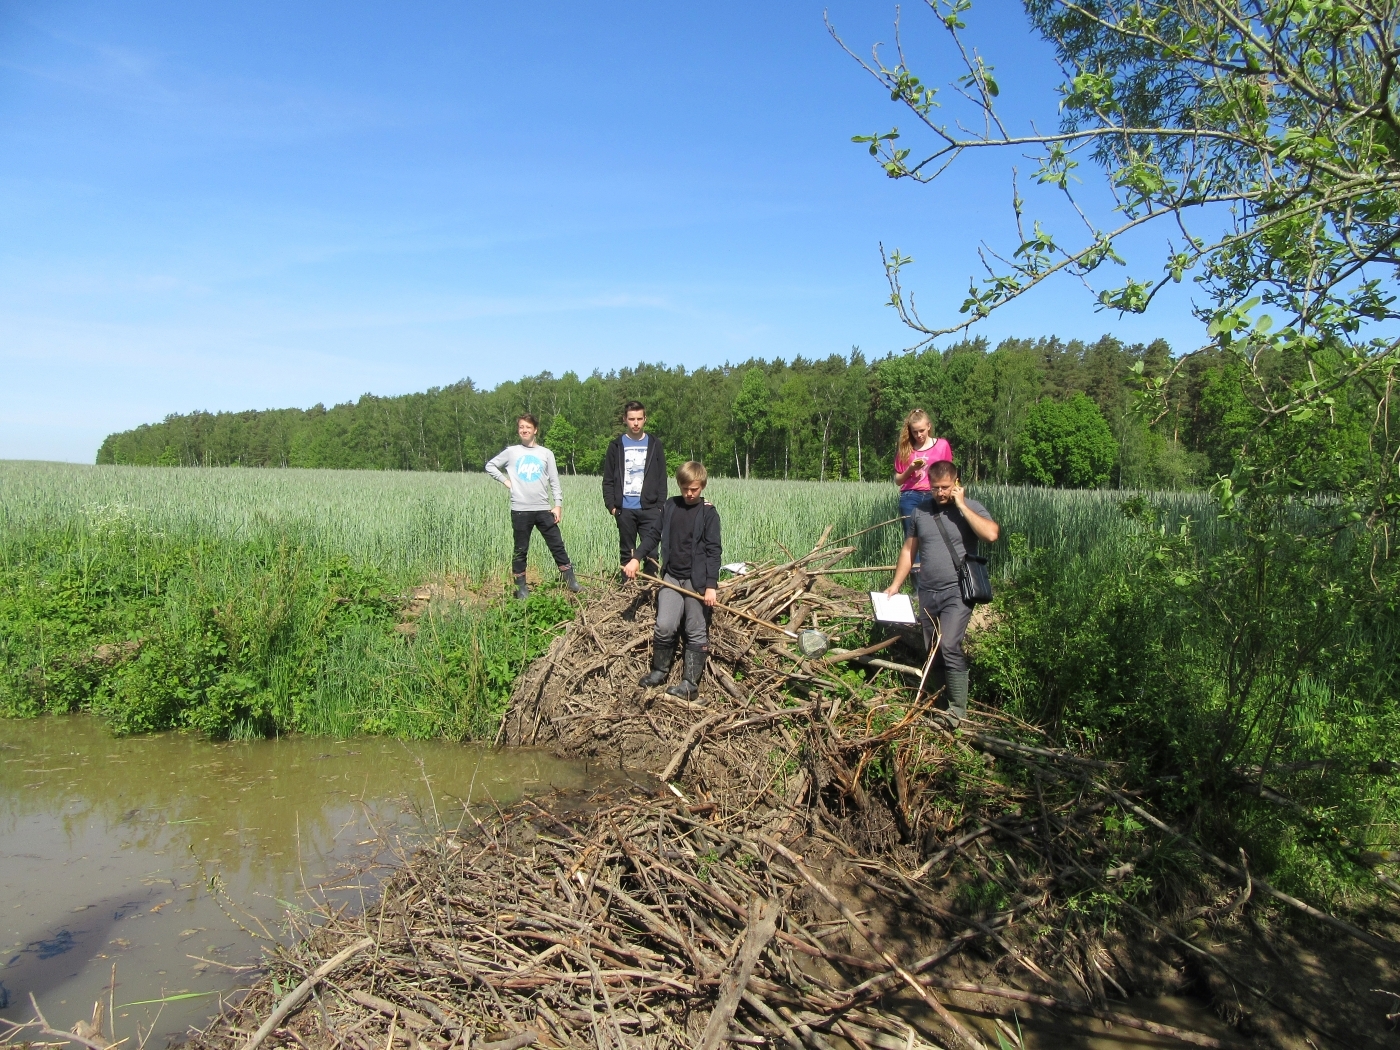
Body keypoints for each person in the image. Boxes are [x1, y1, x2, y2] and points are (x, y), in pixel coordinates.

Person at [884, 460, 998, 725]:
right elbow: (908, 551)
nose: (941, 493)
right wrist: (896, 585)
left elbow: (991, 535)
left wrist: (962, 505)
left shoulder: (972, 508)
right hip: (927, 591)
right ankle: (940, 704)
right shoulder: (920, 512)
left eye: (946, 487)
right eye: (936, 488)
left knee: (949, 645)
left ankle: (958, 712)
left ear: (956, 483)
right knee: (932, 649)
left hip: (958, 591)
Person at [623, 461, 722, 700]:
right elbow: (653, 535)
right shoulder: (670, 506)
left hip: (696, 581)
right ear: (679, 484)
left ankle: (689, 684)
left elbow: (714, 551)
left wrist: (711, 585)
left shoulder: (708, 513)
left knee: (695, 629)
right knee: (665, 626)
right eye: (685, 488)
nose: (689, 493)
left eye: (695, 489)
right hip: (671, 577)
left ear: (702, 486)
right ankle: (659, 671)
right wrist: (636, 558)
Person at [486, 414, 581, 600]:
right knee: (521, 549)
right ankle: (521, 588)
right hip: (520, 510)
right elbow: (490, 466)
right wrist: (506, 481)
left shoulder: (546, 453)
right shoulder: (511, 452)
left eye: (528, 427)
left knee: (557, 545)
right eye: (521, 427)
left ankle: (571, 581)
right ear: (518, 430)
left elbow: (554, 481)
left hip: (543, 509)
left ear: (535, 430)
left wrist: (558, 505)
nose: (524, 430)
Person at [601, 400, 667, 579]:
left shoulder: (654, 444)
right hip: (625, 510)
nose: (636, 423)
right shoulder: (616, 446)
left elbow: (662, 477)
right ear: (625, 419)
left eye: (639, 418)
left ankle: (648, 591)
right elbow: (608, 479)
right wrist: (612, 507)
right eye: (631, 419)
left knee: (651, 554)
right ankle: (627, 592)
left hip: (650, 509)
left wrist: (660, 506)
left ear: (645, 419)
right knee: (627, 553)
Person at [893, 409, 953, 537]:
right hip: (910, 496)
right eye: (915, 432)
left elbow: (949, 473)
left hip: (936, 494)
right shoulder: (905, 449)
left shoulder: (942, 445)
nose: (919, 435)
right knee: (912, 539)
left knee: (936, 537)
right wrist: (910, 469)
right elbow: (898, 480)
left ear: (929, 426)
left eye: (922, 431)